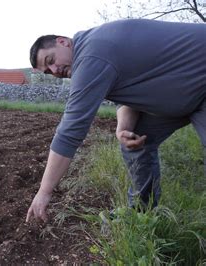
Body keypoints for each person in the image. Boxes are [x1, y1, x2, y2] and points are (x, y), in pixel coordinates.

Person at [25, 19, 206, 223]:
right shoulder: (96, 53)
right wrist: (124, 127)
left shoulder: (91, 54)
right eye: (48, 71)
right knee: (135, 140)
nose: (55, 71)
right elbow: (132, 89)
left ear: (63, 42)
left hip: (200, 78)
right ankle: (142, 214)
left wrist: (45, 191)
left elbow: (71, 129)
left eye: (51, 60)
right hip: (185, 95)